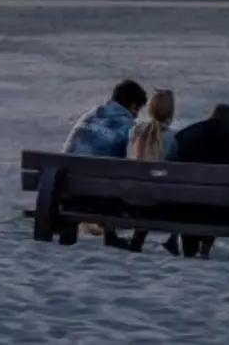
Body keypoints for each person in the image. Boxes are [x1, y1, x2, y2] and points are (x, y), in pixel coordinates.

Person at [62, 80, 147, 248]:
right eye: (137, 111)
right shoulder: (127, 125)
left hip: (66, 190)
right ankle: (112, 234)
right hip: (97, 197)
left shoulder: (89, 114)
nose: (136, 116)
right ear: (133, 106)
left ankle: (74, 230)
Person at [170, 103, 229, 258]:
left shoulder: (186, 135)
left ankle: (190, 249)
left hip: (184, 209)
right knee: (221, 200)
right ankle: (205, 248)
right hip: (219, 212)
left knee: (194, 198)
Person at [126, 90, 180, 255]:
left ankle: (138, 238)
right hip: (159, 206)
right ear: (171, 111)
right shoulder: (173, 138)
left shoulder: (134, 131)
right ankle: (173, 239)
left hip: (129, 200)